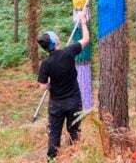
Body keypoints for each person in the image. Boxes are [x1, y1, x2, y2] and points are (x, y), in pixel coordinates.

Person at [36, 9, 90, 161]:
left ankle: (52, 159)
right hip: (74, 101)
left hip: (56, 105)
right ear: (56, 41)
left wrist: (50, 81)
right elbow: (86, 39)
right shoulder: (69, 52)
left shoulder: (46, 64)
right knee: (74, 131)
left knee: (54, 133)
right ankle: (76, 157)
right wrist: (83, 21)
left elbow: (42, 87)